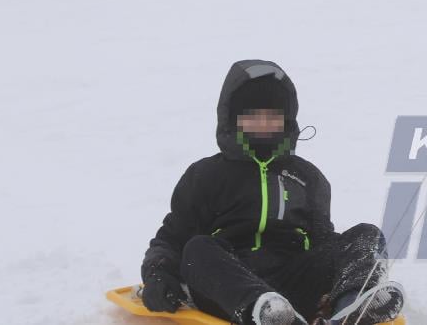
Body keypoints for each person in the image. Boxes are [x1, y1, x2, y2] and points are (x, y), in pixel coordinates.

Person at [140, 60, 405, 325]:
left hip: (293, 285)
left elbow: (322, 242)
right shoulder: (206, 175)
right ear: (233, 119)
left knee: (365, 236)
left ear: (285, 119)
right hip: (229, 290)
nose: (263, 123)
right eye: (252, 115)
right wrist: (158, 275)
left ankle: (349, 309)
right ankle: (266, 312)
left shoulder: (308, 178)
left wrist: (342, 266)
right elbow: (172, 238)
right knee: (198, 248)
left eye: (272, 115)